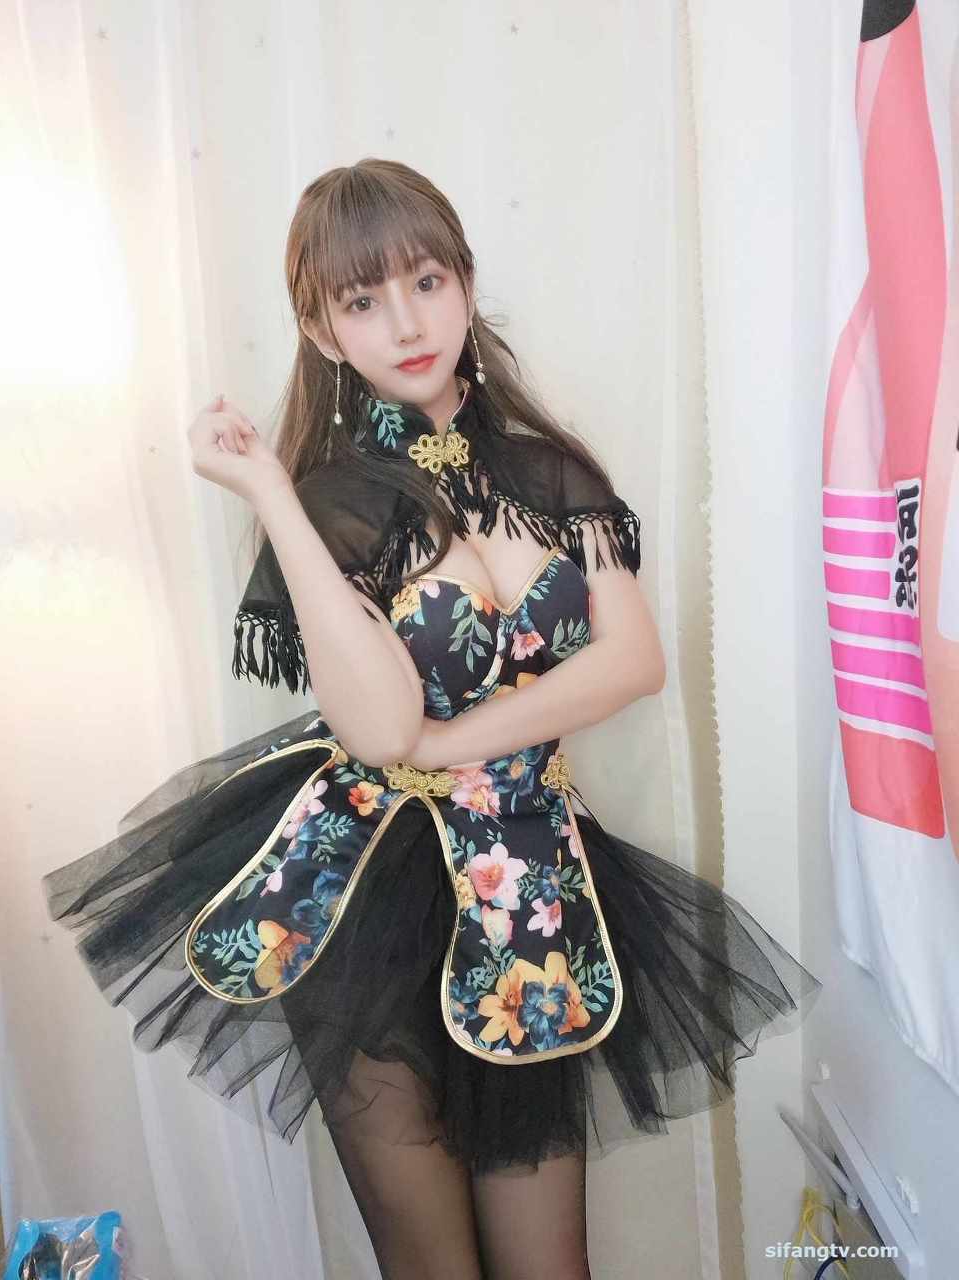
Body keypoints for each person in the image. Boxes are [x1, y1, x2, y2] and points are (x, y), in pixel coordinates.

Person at [43, 158, 821, 1280]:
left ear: (464, 281)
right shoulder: (334, 503)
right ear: (321, 330)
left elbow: (634, 660)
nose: (406, 323)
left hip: (528, 866)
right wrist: (272, 494)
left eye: (426, 281)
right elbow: (376, 725)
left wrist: (454, 745)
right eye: (363, 301)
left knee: (549, 1265)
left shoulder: (552, 471)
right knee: (431, 1264)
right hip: (367, 890)